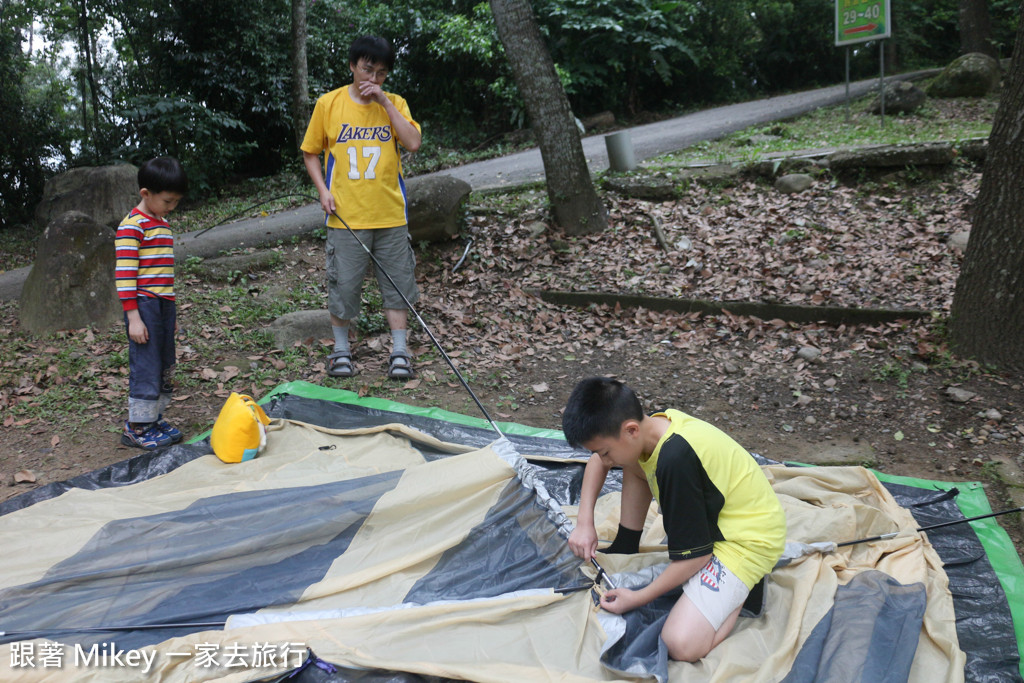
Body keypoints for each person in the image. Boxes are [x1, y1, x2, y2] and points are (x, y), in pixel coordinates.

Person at [561, 377, 786, 662]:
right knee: (633, 460)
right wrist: (584, 523)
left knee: (680, 644)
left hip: (747, 541)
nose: (603, 461)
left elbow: (696, 557)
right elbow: (597, 461)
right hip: (722, 518)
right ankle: (626, 543)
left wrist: (639, 597)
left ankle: (742, 595)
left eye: (605, 452)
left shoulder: (674, 460)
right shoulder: (652, 426)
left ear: (630, 429)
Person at [301, 35, 422, 380]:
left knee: (397, 284)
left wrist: (384, 102)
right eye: (368, 69)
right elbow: (311, 152)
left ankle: (400, 351)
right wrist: (323, 190)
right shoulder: (329, 103)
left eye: (381, 73)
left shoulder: (395, 102)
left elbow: (413, 143)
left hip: (390, 213)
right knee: (344, 286)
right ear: (353, 65)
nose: (373, 78)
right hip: (345, 216)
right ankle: (341, 351)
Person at [115, 156, 188, 450]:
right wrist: (133, 317)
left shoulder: (161, 223)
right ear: (146, 194)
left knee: (163, 363)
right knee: (146, 364)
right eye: (168, 201)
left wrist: (171, 314)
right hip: (143, 305)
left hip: (162, 305)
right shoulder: (132, 226)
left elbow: (163, 274)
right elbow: (125, 275)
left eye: (175, 202)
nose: (171, 207)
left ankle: (153, 419)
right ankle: (137, 427)